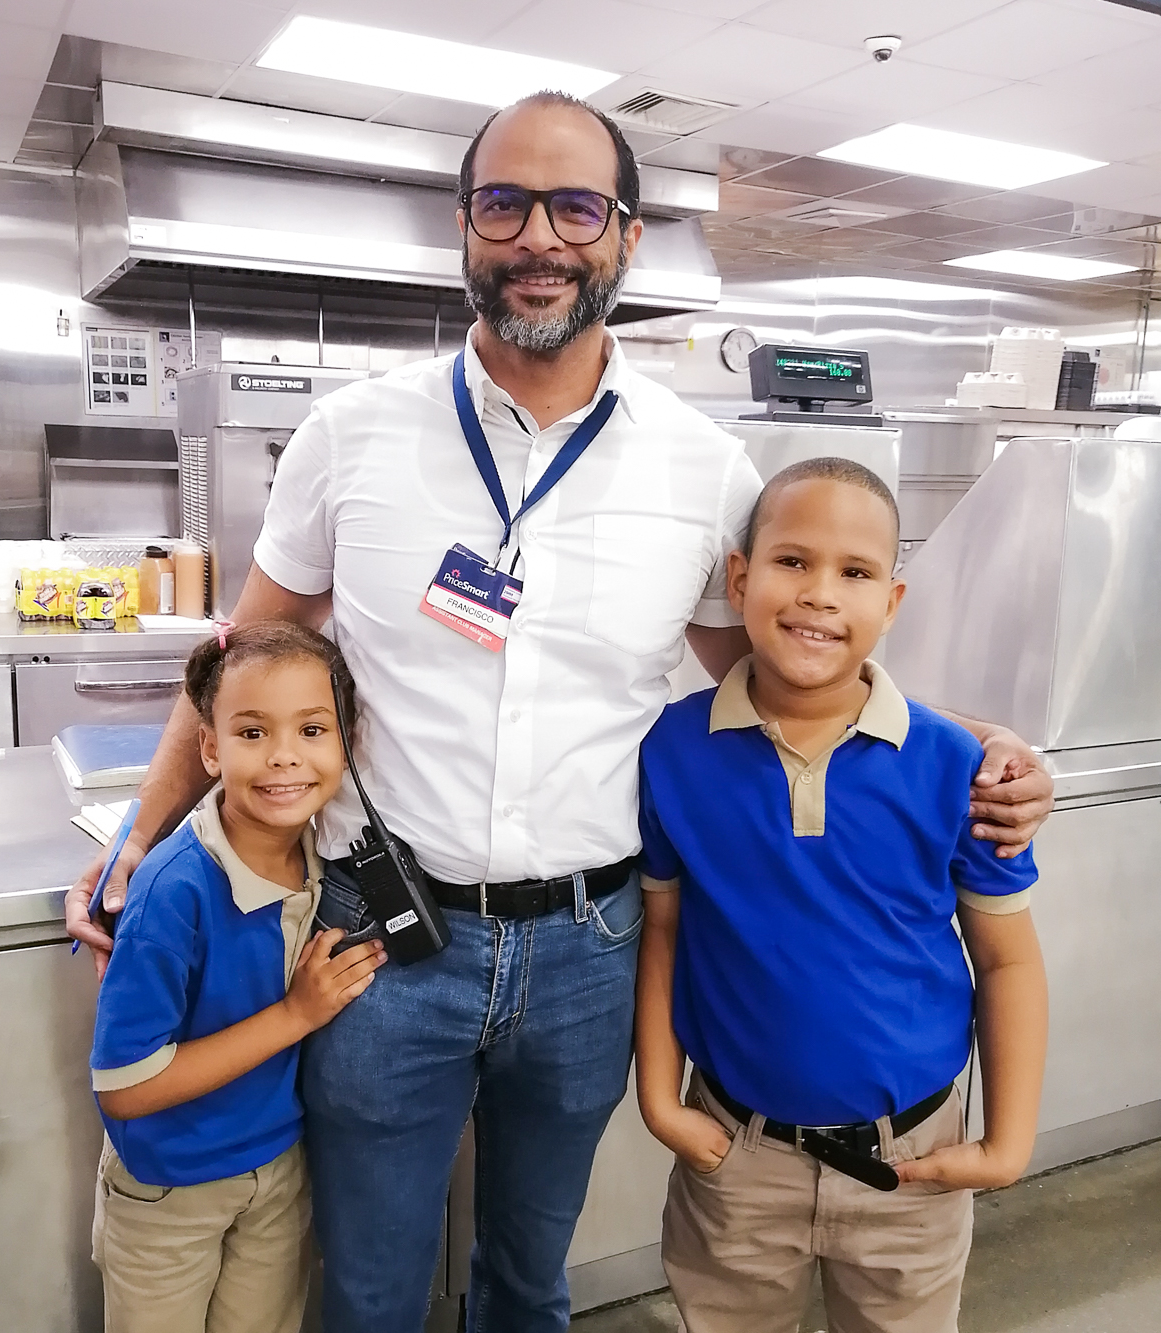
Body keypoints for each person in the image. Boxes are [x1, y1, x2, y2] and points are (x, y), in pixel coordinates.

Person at [68, 92, 1054, 1333]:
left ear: (625, 236)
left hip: (592, 948)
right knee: (368, 1286)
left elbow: (792, 652)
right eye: (505, 203)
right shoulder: (351, 437)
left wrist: (971, 746)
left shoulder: (703, 471)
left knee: (527, 1281)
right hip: (380, 941)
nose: (540, 236)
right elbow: (243, 657)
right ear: (465, 228)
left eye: (576, 206)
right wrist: (141, 838)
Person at [634, 458, 1049, 1333]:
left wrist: (1008, 1140)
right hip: (737, 1163)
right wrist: (661, 1101)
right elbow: (663, 929)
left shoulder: (958, 768)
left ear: (890, 603)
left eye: (855, 573)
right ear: (740, 579)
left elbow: (1006, 958)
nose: (820, 594)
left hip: (914, 1163)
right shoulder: (676, 749)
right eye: (792, 561)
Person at [90, 623, 387, 1333]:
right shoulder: (174, 889)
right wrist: (295, 1014)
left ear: (348, 742)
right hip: (168, 1189)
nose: (285, 755)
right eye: (252, 733)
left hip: (278, 1175)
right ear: (210, 746)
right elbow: (126, 1086)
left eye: (313, 729)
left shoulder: (325, 859)